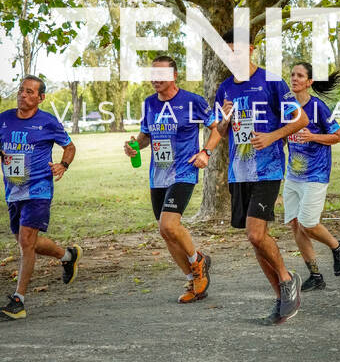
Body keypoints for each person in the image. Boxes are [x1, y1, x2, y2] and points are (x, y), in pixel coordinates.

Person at [215, 30, 309, 325]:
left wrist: (272, 136)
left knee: (256, 234)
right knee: (254, 239)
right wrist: (224, 120)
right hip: (239, 172)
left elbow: (301, 119)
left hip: (268, 169)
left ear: (251, 49)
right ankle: (282, 299)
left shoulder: (271, 82)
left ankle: (287, 278)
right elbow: (220, 132)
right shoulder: (224, 88)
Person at [124, 56, 220, 304]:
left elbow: (217, 129)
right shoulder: (149, 104)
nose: (155, 79)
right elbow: (146, 136)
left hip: (184, 172)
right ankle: (192, 279)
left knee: (169, 225)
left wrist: (206, 152)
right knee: (166, 232)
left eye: (161, 74)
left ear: (174, 76)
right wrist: (134, 146)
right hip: (158, 175)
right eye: (153, 74)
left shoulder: (192, 101)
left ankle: (198, 262)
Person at [0, 75, 82, 321]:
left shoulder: (47, 122)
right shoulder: (4, 119)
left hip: (39, 189)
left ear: (40, 97)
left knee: (26, 241)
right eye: (21, 90)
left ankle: (18, 300)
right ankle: (68, 256)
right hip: (14, 190)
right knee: (27, 242)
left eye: (29, 92)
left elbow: (69, 147)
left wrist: (63, 165)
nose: (23, 95)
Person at [283, 62, 340, 292]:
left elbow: (338, 136)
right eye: (293, 74)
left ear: (309, 82)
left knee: (308, 224)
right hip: (293, 175)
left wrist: (312, 137)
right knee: (296, 225)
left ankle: (338, 246)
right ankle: (315, 275)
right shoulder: (288, 108)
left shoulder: (318, 107)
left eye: (300, 76)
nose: (294, 78)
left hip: (316, 174)